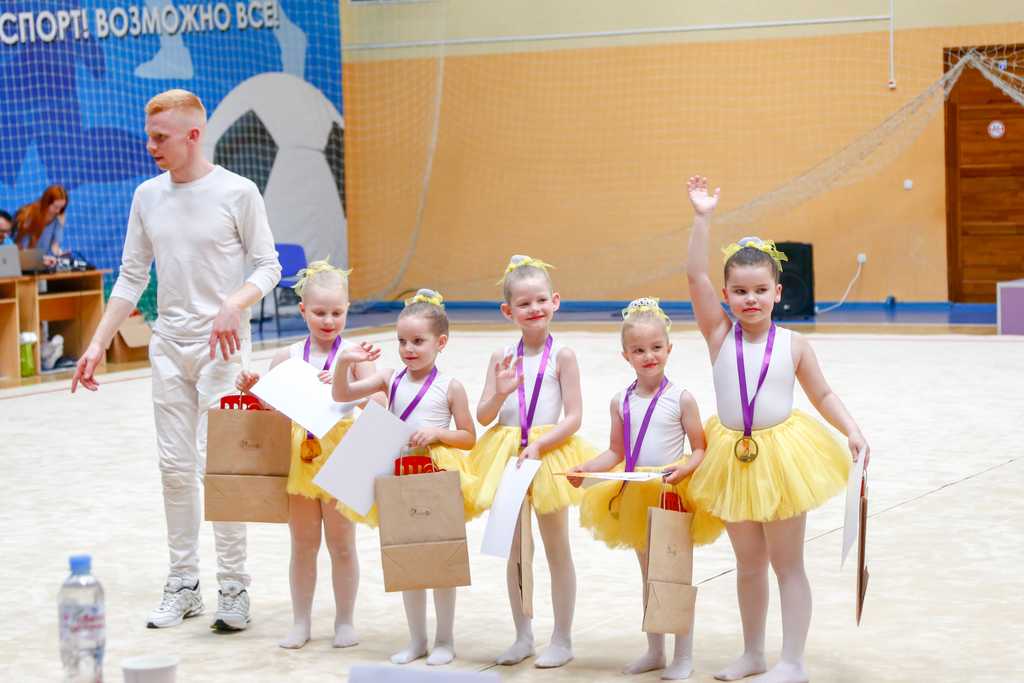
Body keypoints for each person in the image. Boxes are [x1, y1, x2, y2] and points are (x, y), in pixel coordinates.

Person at [71, 89, 281, 632]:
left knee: (220, 469)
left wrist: (234, 304)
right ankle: (183, 585)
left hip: (223, 353)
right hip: (167, 348)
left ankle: (233, 587)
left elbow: (268, 266)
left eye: (160, 137)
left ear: (193, 135)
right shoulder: (147, 196)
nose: (151, 146)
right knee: (174, 470)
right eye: (150, 136)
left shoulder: (238, 192)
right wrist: (97, 343)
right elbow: (131, 276)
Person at [683, 176, 869, 683]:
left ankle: (793, 662)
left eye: (760, 290)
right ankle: (752, 653)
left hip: (783, 460)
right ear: (726, 294)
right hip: (732, 457)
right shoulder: (718, 334)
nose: (750, 299)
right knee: (748, 565)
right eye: (740, 291)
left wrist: (852, 429)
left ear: (778, 293)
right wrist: (702, 218)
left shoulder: (793, 344)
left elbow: (823, 395)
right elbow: (695, 275)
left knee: (787, 564)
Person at [569, 297, 724, 680]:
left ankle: (683, 655)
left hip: (670, 491)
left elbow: (700, 448)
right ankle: (655, 650)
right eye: (638, 350)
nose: (648, 356)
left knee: (675, 574)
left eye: (656, 347)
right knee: (649, 575)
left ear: (669, 348)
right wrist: (587, 469)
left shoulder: (681, 398)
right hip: (636, 492)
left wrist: (685, 468)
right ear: (626, 355)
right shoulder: (620, 401)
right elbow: (616, 451)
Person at [236, 260, 380, 649]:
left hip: (344, 452)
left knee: (342, 543)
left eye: (336, 312)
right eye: (319, 313)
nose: (329, 321)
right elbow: (273, 411)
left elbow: (381, 403)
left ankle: (345, 621)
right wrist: (253, 390)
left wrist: (346, 384)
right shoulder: (287, 357)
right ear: (302, 310)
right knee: (302, 544)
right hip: (301, 454)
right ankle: (300, 621)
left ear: (347, 309)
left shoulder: (356, 355)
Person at [332, 289, 478, 666]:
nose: (408, 349)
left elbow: (469, 436)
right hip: (399, 472)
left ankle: (445, 639)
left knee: (440, 557)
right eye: (401, 341)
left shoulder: (450, 386)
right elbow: (342, 394)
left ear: (440, 342)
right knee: (406, 556)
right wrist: (345, 362)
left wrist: (438, 433)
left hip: (435, 472)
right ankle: (417, 640)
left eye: (418, 341)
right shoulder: (389, 377)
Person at [468, 255, 596, 669]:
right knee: (516, 551)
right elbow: (483, 415)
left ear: (555, 301)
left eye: (541, 300)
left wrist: (541, 446)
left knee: (557, 548)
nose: (534, 308)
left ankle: (562, 638)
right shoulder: (502, 356)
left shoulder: (563, 356)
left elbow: (574, 416)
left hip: (547, 452)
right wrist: (501, 392)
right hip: (506, 455)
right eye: (524, 303)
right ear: (508, 311)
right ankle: (522, 635)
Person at [14, 184, 68, 265]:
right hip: (22, 262)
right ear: (46, 202)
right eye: (55, 207)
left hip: (41, 263)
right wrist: (41, 259)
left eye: (61, 208)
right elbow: (22, 250)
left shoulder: (59, 217)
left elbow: (55, 247)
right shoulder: (28, 215)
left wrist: (59, 254)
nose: (58, 211)